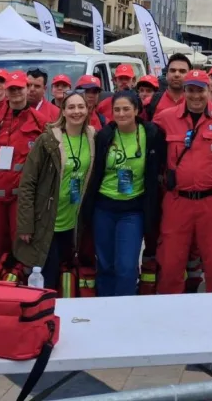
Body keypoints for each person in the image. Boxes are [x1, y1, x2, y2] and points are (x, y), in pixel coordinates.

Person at [155, 70, 212, 294]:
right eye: (190, 90)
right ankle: (168, 313)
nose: (195, 96)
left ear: (208, 91)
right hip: (177, 201)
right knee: (171, 263)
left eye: (200, 90)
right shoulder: (165, 117)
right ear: (184, 91)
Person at [12, 91, 97, 294]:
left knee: (64, 274)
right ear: (63, 111)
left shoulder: (93, 138)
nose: (76, 111)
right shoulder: (48, 141)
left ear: (87, 110)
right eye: (71, 107)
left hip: (73, 222)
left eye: (81, 107)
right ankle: (42, 319)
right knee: (45, 277)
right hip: (47, 221)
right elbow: (27, 183)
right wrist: (25, 224)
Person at [86, 91, 165, 296]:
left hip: (133, 210)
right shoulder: (104, 136)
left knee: (127, 266)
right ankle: (105, 305)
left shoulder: (151, 134)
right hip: (104, 208)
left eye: (126, 109)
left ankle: (125, 309)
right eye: (117, 109)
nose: (121, 114)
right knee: (105, 264)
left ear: (137, 110)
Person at [0, 71, 46, 279]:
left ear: (27, 89)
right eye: (11, 89)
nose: (15, 93)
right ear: (6, 91)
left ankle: (19, 287)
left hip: (20, 197)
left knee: (22, 246)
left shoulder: (40, 121)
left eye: (19, 88)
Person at [147, 54, 191, 121]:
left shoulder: (197, 102)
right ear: (167, 75)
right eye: (173, 70)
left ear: (190, 75)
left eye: (182, 71)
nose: (176, 74)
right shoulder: (151, 101)